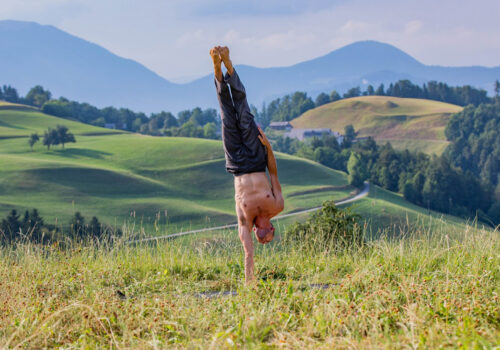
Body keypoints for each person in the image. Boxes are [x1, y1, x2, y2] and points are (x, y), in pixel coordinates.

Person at [210, 46, 284, 283]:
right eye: (267, 239)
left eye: (260, 239)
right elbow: (273, 172)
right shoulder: (277, 205)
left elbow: (247, 251)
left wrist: (249, 281)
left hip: (236, 164)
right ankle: (229, 64)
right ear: (270, 229)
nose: (262, 240)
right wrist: (268, 147)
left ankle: (216, 68)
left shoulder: (245, 219)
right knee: (242, 111)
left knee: (226, 115)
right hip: (255, 158)